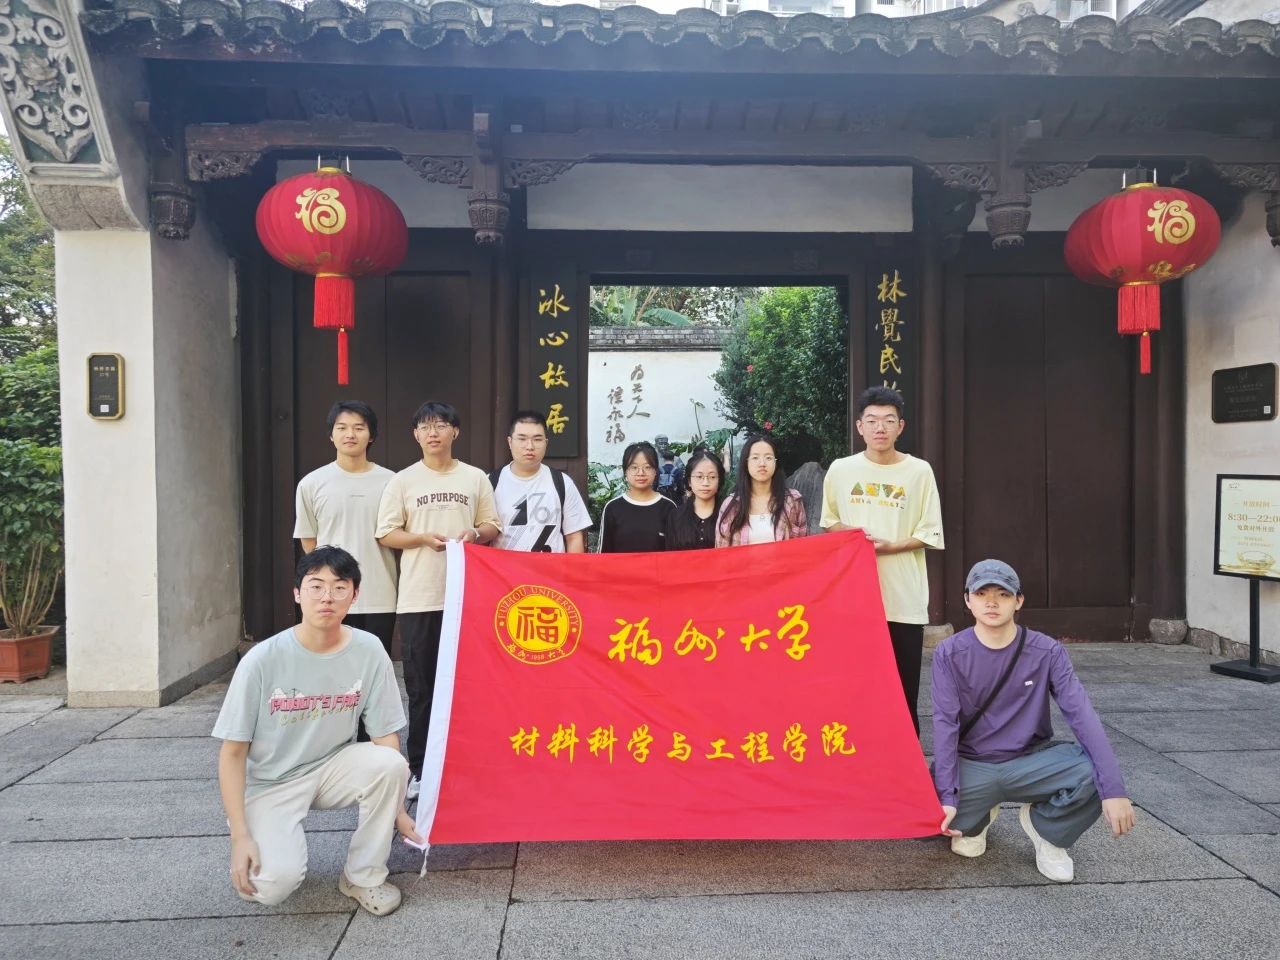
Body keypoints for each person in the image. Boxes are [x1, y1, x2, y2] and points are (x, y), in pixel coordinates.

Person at [213, 546, 423, 916]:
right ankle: (263, 833)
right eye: (316, 586)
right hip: (273, 781)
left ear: (354, 595)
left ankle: (363, 876)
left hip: (332, 767)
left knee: (391, 764)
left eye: (340, 587)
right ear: (297, 593)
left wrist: (398, 810)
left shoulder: (369, 650)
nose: (327, 597)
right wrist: (239, 835)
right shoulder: (262, 660)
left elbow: (385, 737)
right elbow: (232, 753)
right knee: (268, 886)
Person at [933, 559, 1136, 882]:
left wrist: (1114, 790)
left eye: (1002, 594)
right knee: (929, 817)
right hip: (974, 763)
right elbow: (945, 724)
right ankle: (978, 817)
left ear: (1019, 601)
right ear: (967, 600)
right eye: (982, 593)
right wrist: (946, 796)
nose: (991, 602)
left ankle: (1049, 832)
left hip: (1029, 760)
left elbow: (1083, 716)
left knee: (1093, 772)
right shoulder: (949, 652)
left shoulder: (1047, 651)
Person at [375, 402, 500, 800]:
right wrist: (421, 539)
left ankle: (467, 763)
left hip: (465, 597)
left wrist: (474, 534)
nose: (433, 433)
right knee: (423, 687)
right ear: (416, 434)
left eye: (441, 425)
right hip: (419, 598)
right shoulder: (403, 481)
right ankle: (421, 768)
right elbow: (387, 533)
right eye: (425, 426)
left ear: (454, 432)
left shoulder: (475, 477)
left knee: (468, 686)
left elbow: (492, 525)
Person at [820, 386, 942, 735]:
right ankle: (860, 757)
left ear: (900, 427)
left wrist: (890, 546)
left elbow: (929, 532)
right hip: (855, 599)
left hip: (904, 599)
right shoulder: (841, 470)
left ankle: (907, 762)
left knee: (904, 690)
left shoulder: (919, 472)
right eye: (872, 420)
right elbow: (829, 522)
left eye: (889, 420)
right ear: (860, 427)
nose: (880, 428)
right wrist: (857, 537)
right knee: (856, 688)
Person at [293, 401, 397, 659]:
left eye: (358, 428)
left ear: (371, 435)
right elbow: (309, 540)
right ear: (331, 435)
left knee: (373, 663)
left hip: (380, 592)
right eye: (342, 428)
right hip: (330, 595)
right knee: (330, 661)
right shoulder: (311, 483)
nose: (350, 434)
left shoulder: (393, 482)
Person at [490, 410, 592, 553]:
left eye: (537, 439)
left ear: (546, 442)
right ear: (510, 442)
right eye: (522, 439)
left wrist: (572, 568)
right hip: (504, 567)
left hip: (551, 567)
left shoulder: (562, 483)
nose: (530, 446)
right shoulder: (490, 482)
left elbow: (574, 537)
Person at [716, 434, 808, 547]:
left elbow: (803, 548)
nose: (762, 464)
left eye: (768, 458)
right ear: (746, 463)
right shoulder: (731, 506)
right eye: (755, 458)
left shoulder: (793, 501)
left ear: (776, 463)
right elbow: (722, 551)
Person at [597, 441, 677, 552]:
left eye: (647, 467)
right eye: (634, 467)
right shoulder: (612, 508)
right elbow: (604, 553)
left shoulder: (668, 507)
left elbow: (676, 554)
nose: (641, 473)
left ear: (655, 471)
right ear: (625, 472)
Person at [664, 447, 724, 550]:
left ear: (719, 481)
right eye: (699, 477)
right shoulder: (675, 516)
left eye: (712, 477)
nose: (705, 483)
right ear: (689, 481)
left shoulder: (729, 515)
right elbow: (670, 555)